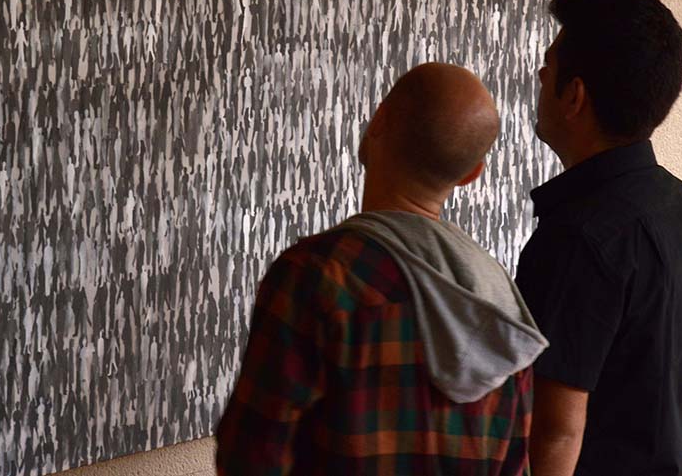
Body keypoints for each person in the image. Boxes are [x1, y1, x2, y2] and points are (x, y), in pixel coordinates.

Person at [216, 63, 548, 475]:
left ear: (379, 120)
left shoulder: (318, 275)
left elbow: (251, 456)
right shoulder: (502, 301)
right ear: (472, 174)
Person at [515, 0, 682, 476]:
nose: (540, 74)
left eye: (549, 64)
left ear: (574, 96)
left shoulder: (580, 237)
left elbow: (554, 432)